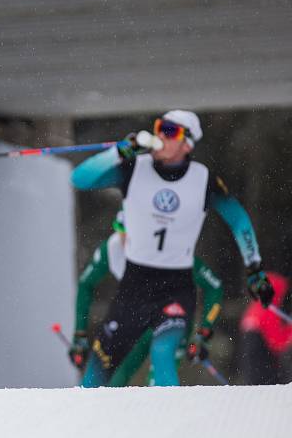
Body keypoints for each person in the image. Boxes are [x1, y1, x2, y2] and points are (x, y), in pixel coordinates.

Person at [70, 110, 274, 387]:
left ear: (187, 144)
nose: (160, 136)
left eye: (170, 131)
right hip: (134, 286)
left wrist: (254, 269)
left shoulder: (203, 180)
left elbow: (238, 220)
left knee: (163, 354)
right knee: (97, 372)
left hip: (175, 286)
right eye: (159, 128)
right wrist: (117, 152)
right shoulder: (134, 168)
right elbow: (80, 179)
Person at [68, 211, 224, 386]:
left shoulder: (167, 249)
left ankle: (166, 409)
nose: (124, 239)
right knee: (116, 379)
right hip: (138, 317)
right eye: (121, 231)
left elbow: (214, 286)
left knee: (159, 374)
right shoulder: (112, 249)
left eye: (131, 233)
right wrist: (79, 333)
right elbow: (85, 284)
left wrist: (204, 331)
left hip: (170, 317)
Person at [239, 271, 292, 384]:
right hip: (264, 368)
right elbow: (277, 343)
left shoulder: (254, 308)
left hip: (252, 368)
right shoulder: (269, 310)